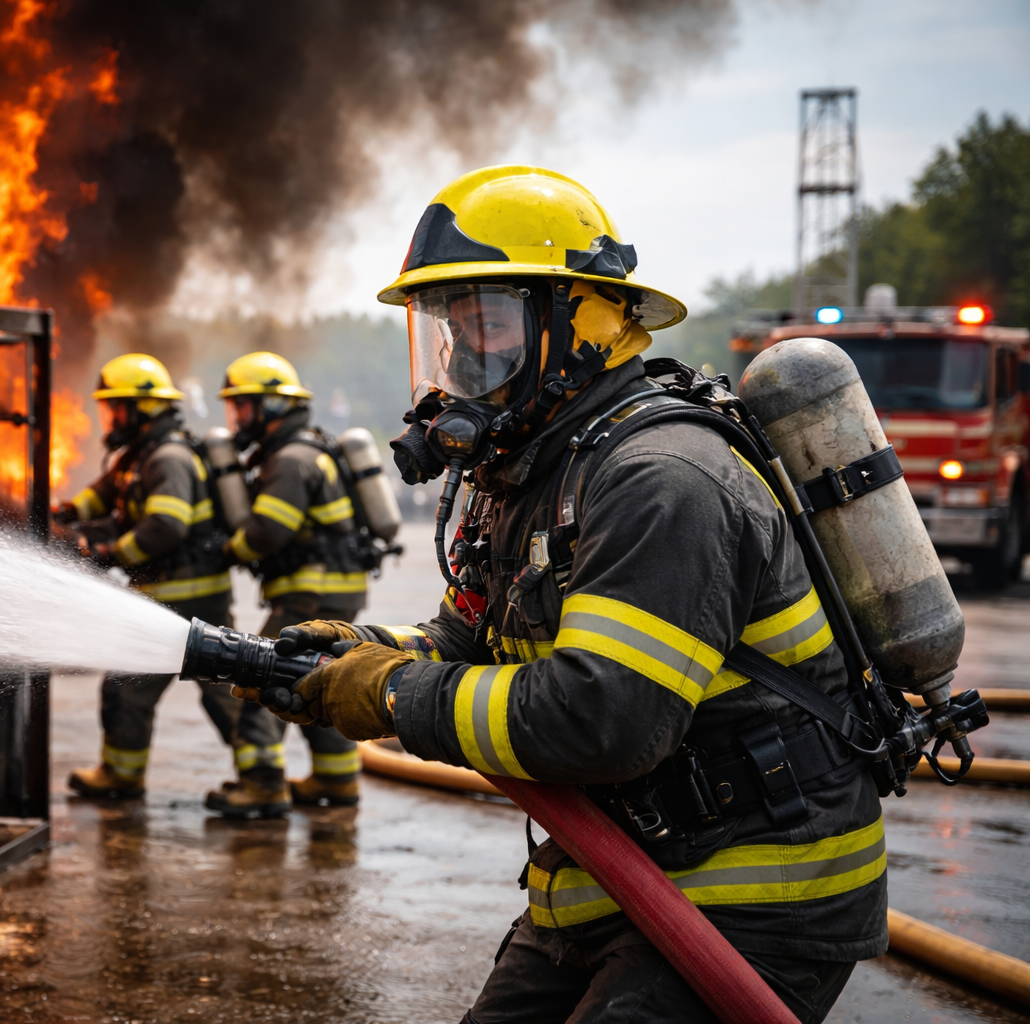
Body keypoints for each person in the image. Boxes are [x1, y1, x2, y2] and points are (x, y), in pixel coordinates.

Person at [256, 167, 886, 1022]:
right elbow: (465, 644)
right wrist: (355, 653)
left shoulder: (662, 480)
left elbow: (601, 720)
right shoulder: (531, 471)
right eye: (450, 332)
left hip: (753, 894)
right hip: (620, 875)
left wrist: (390, 693)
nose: (464, 365)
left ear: (578, 324)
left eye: (491, 328)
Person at [59, 353, 243, 799]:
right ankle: (260, 776)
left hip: (187, 595)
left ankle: (259, 778)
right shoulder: (137, 457)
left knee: (138, 685)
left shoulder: (168, 458)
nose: (111, 417)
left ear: (143, 408)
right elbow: (97, 498)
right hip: (172, 594)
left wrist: (111, 553)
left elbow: (167, 524)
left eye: (117, 407)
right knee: (216, 691)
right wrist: (60, 514)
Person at [207, 352, 368, 819]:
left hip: (310, 591)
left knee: (261, 675)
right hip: (334, 587)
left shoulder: (292, 460)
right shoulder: (307, 449)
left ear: (273, 406)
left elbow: (266, 532)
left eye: (243, 406)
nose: (237, 418)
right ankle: (336, 779)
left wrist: (227, 550)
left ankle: (261, 784)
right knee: (317, 678)